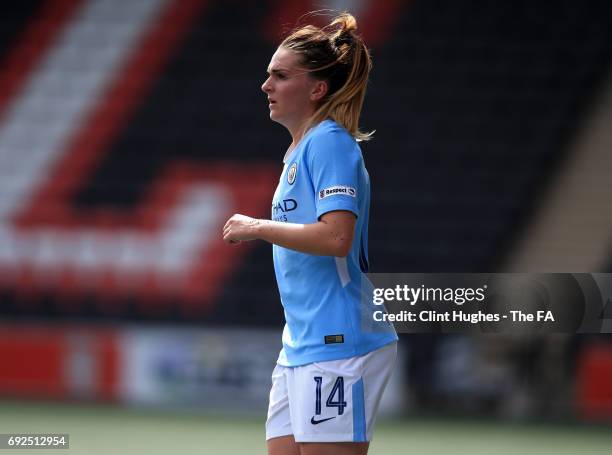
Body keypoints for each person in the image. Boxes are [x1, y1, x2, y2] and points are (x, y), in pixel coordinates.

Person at [223, 12, 398, 455]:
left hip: (340, 339)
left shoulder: (330, 143)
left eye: (280, 76)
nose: (266, 86)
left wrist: (257, 227)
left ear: (317, 89)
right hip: (302, 341)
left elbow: (336, 237)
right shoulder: (299, 150)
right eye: (268, 75)